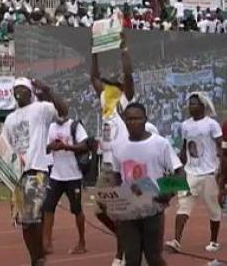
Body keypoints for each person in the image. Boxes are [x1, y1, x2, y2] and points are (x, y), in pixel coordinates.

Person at [1, 77, 67, 266]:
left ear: (30, 92)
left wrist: (48, 90)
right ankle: (35, 258)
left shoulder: (41, 109)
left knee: (32, 219)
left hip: (36, 170)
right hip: (18, 176)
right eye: (16, 90)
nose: (19, 92)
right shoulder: (10, 119)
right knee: (24, 222)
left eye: (23, 89)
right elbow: (6, 146)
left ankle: (39, 257)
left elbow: (63, 110)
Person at [111, 103, 183, 266]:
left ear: (145, 120)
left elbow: (179, 171)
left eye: (137, 118)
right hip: (129, 210)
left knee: (153, 258)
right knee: (132, 259)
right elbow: (116, 174)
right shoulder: (118, 146)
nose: (132, 122)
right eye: (129, 119)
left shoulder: (160, 144)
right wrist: (116, 199)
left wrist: (168, 192)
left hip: (153, 210)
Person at [91, 33, 134, 266]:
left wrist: (123, 47)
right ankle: (124, 237)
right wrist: (94, 50)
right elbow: (94, 77)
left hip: (122, 166)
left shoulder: (125, 100)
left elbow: (128, 73)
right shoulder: (105, 99)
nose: (114, 79)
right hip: (107, 164)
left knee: (119, 210)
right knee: (99, 210)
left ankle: (120, 254)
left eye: (117, 80)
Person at [166, 93, 223, 253]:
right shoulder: (185, 125)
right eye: (190, 104)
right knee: (183, 204)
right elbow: (185, 148)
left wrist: (221, 170)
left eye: (194, 104)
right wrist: (178, 167)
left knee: (213, 209)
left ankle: (213, 241)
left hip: (210, 172)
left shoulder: (212, 124)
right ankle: (176, 240)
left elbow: (220, 146)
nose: (191, 107)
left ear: (202, 106)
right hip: (191, 172)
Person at [43, 116, 88, 255]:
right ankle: (47, 242)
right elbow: (45, 148)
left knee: (76, 209)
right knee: (48, 208)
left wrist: (66, 146)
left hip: (73, 175)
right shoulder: (51, 127)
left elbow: (85, 145)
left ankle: (82, 242)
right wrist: (52, 146)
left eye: (61, 113)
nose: (59, 116)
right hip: (56, 175)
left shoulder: (75, 126)